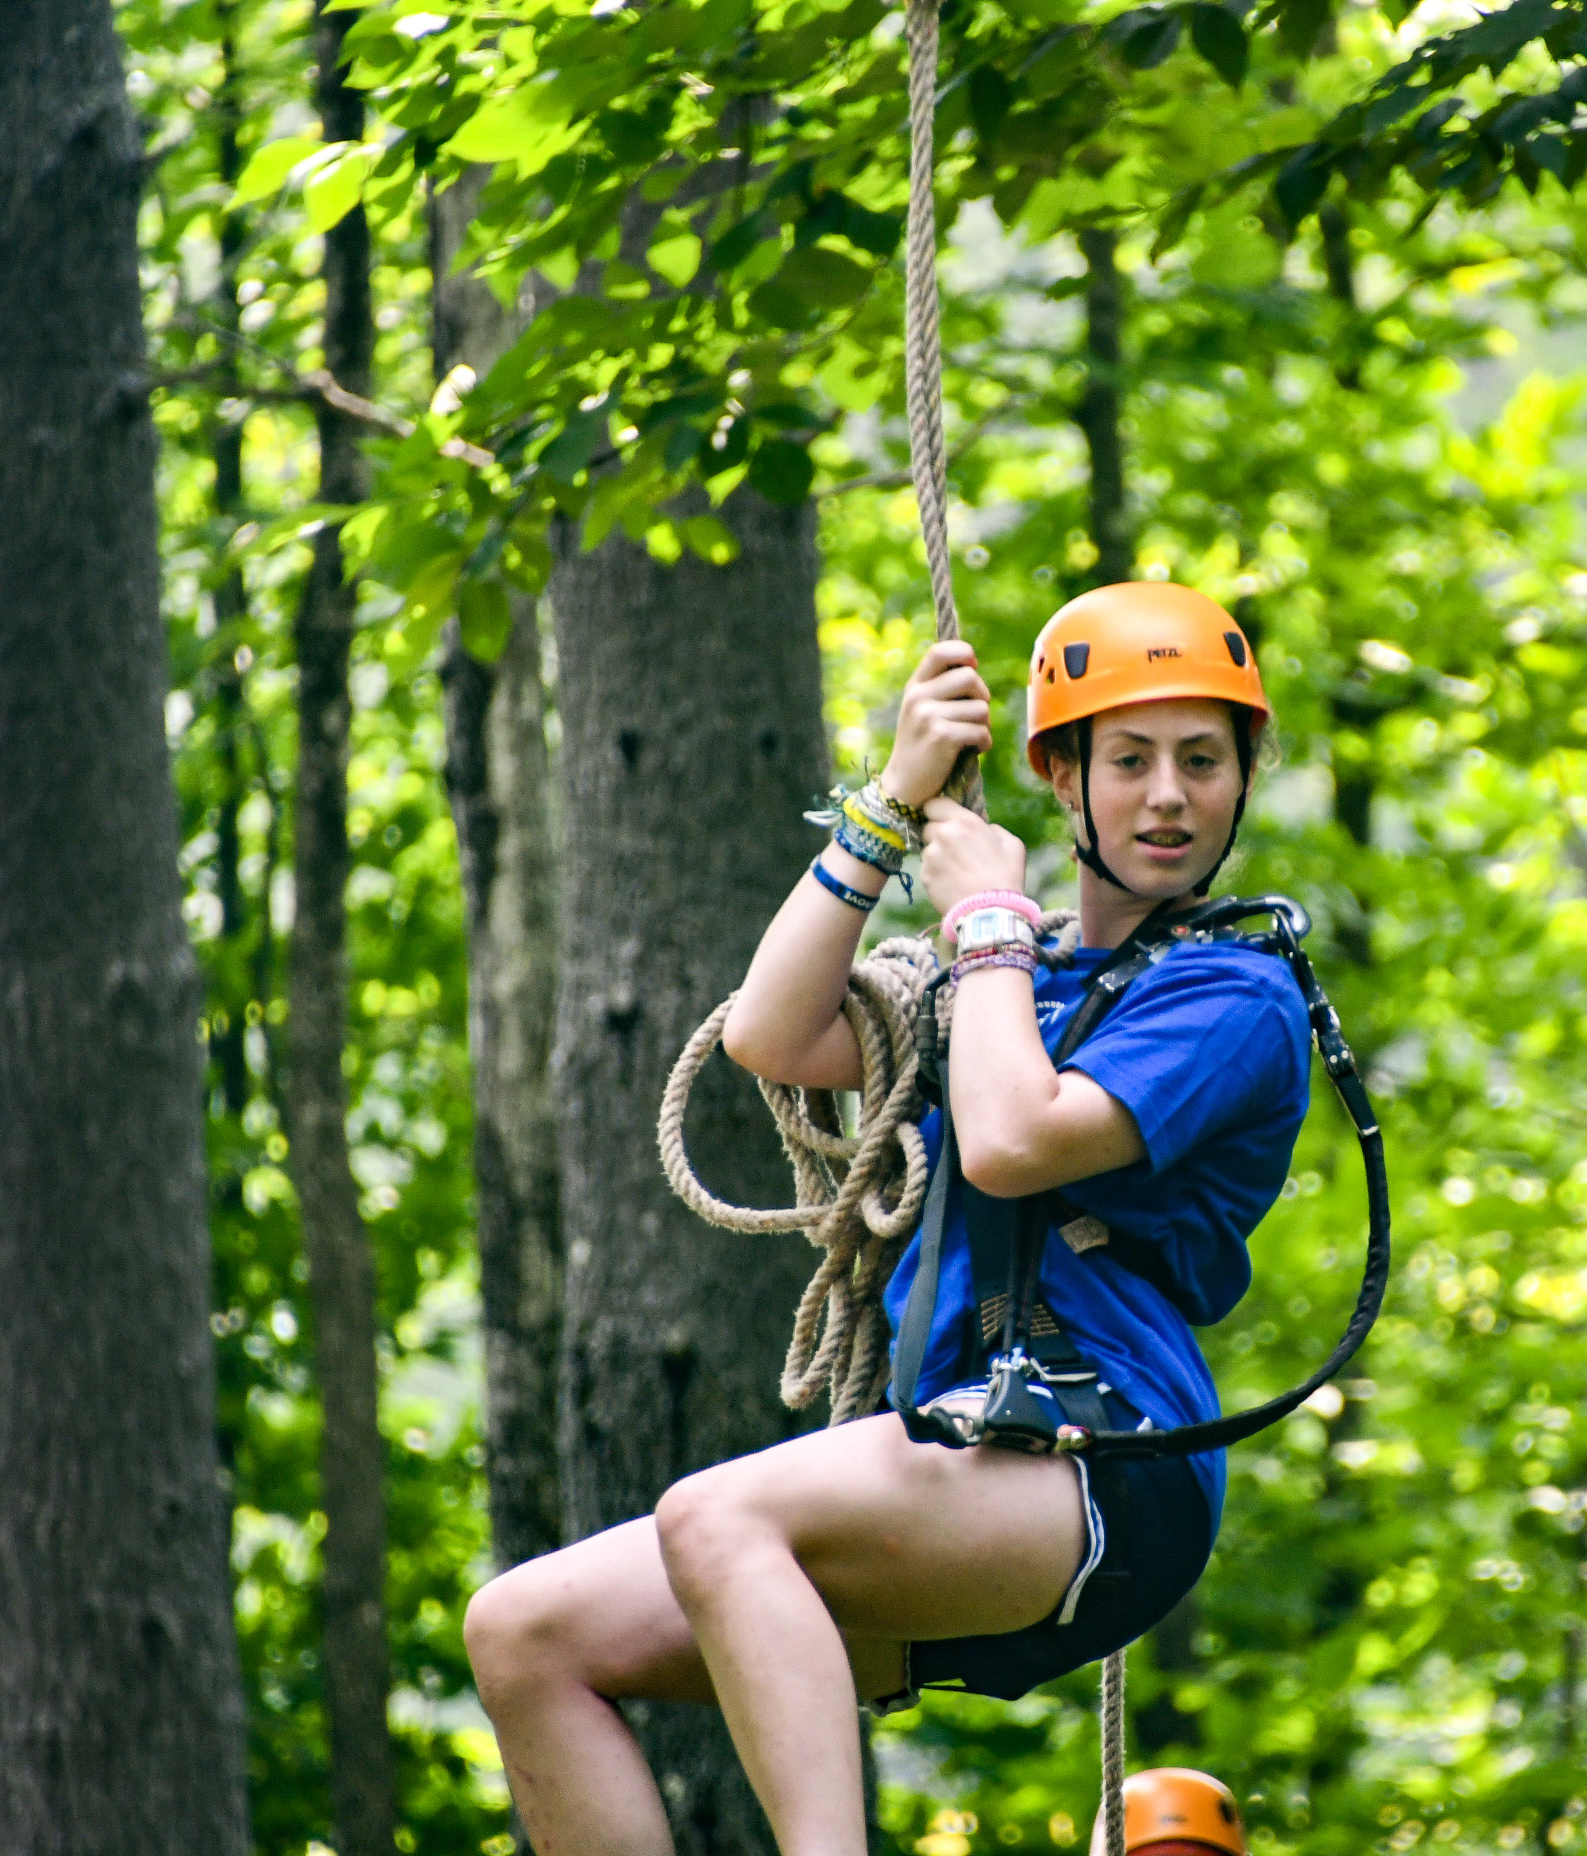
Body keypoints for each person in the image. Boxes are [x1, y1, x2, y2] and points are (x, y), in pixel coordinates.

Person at [464, 583, 1312, 1856]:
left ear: (1245, 777)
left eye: (1204, 759)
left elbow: (1016, 1137)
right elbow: (772, 1034)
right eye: (1129, 759)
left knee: (718, 1514)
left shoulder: (1233, 995)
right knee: (526, 1632)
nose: (1168, 796)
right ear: (1063, 776)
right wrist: (892, 803)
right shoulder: (1015, 975)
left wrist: (985, 926)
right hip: (973, 1446)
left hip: (1109, 1456)